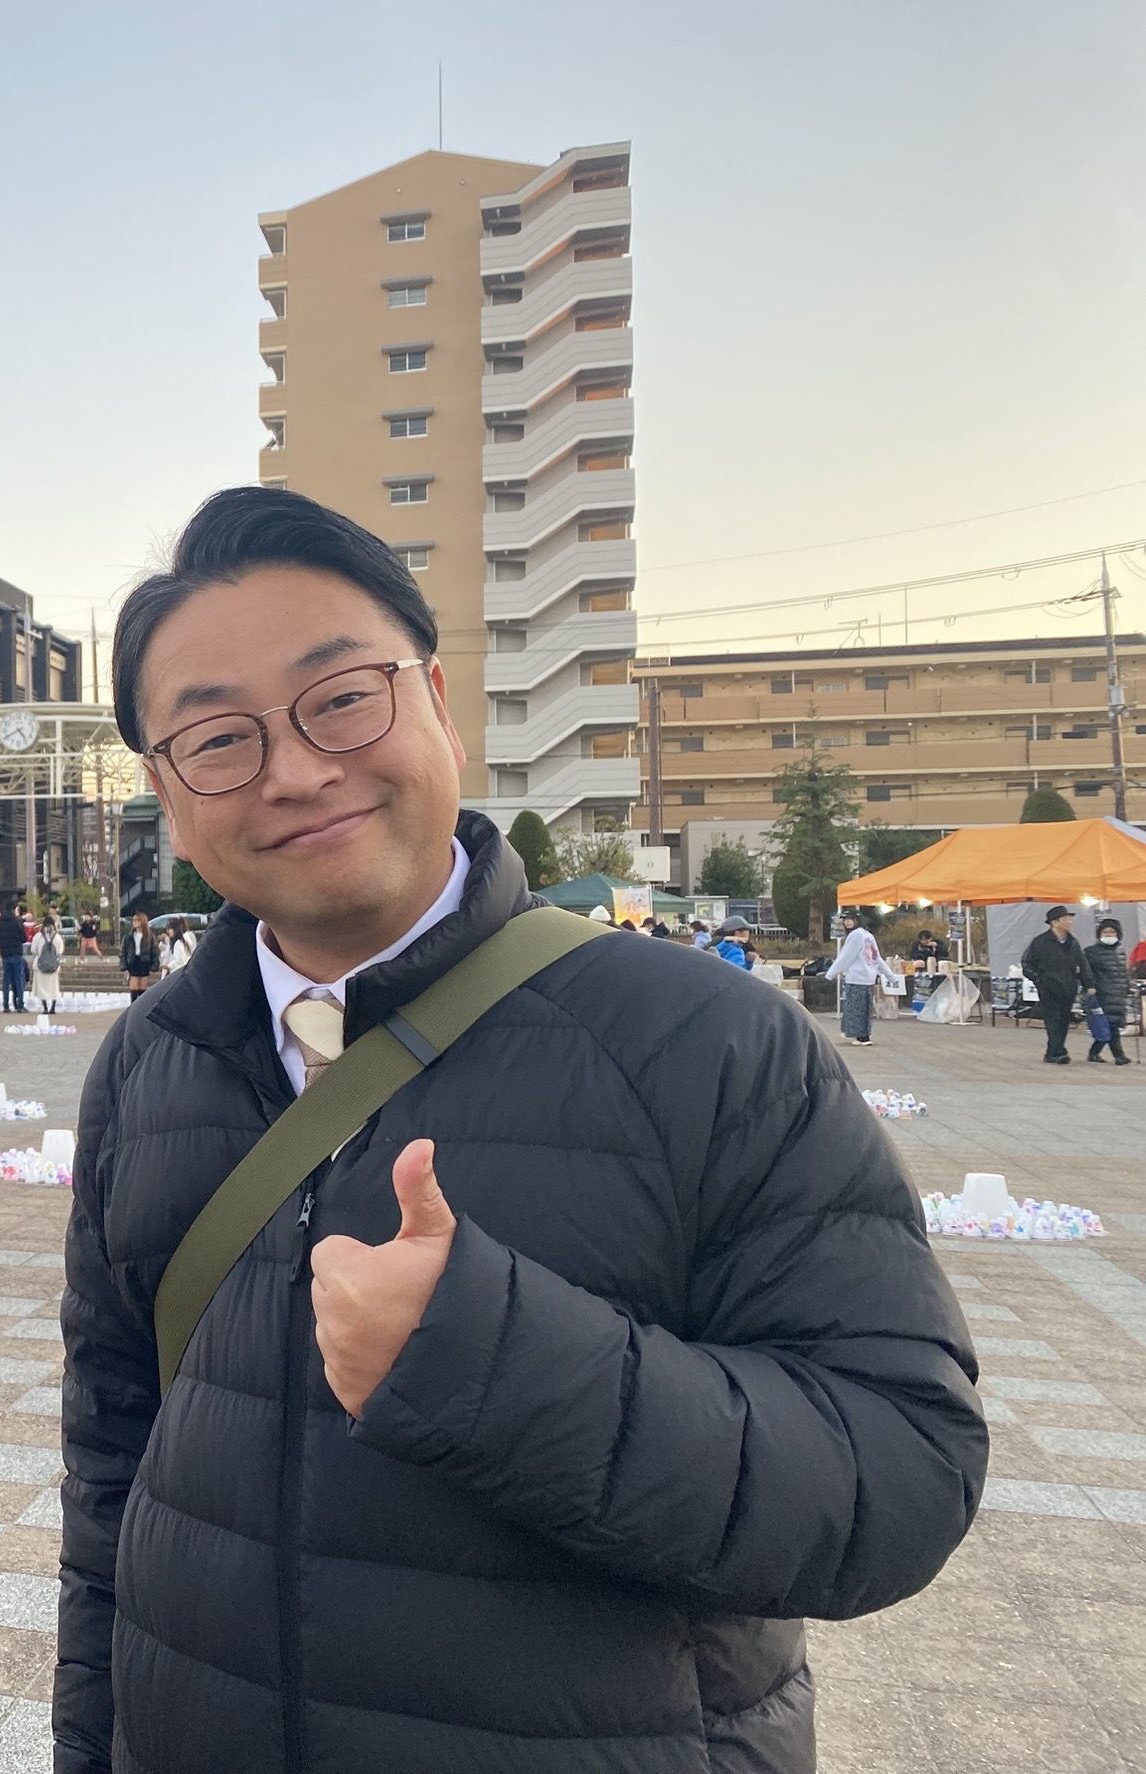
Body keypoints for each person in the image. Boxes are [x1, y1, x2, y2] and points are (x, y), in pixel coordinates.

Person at [56, 486, 982, 1774]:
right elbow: (110, 1475)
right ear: (168, 793)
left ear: (437, 700)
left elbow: (902, 1474)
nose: (297, 770)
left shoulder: (704, 1040)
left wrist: (488, 1359)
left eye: (342, 698)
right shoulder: (149, 1062)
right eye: (218, 738)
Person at [1023, 904, 1084, 1065]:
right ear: (1054, 922)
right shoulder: (1041, 942)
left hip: (1068, 988)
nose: (1070, 922)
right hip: (1048, 988)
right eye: (1066, 919)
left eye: (1070, 919)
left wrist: (1088, 983)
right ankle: (1058, 1052)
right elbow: (1027, 963)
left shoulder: (1073, 943)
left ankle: (1054, 1052)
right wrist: (1039, 980)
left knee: (1064, 1020)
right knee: (1053, 1020)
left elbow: (1082, 964)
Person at [826, 910, 884, 1046]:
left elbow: (846, 957)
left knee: (856, 1009)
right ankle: (857, 1033)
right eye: (845, 920)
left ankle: (862, 1036)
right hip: (867, 978)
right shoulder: (867, 935)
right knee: (862, 1008)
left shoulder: (856, 935)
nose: (847, 922)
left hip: (857, 978)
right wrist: (888, 974)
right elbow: (877, 958)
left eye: (850, 919)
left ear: (857, 921)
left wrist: (831, 973)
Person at [1083, 916, 1132, 1065]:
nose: (1109, 934)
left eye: (1112, 932)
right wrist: (1090, 988)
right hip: (1102, 994)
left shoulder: (1120, 950)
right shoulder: (1091, 952)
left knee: (1110, 1025)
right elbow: (1087, 973)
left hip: (1118, 994)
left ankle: (1094, 1052)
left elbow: (1123, 972)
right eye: (1105, 931)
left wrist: (1127, 985)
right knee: (1109, 1025)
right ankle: (1119, 1055)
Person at [0, 900, 29, 1012]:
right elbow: (24, 938)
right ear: (13, 909)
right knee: (19, 978)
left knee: (6, 979)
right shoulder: (17, 921)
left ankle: (5, 1004)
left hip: (4, 953)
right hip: (16, 952)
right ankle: (20, 1004)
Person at [32, 913, 65, 1014]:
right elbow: (60, 952)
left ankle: (45, 1008)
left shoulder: (38, 936)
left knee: (42, 987)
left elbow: (33, 950)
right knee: (54, 987)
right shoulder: (57, 937)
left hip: (40, 966)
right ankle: (53, 1007)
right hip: (54, 966)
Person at [120, 911, 158, 996]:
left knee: (142, 990)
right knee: (134, 989)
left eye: (137, 920)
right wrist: (124, 967)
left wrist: (154, 966)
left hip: (144, 963)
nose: (134, 922)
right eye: (133, 920)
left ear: (142, 922)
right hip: (133, 962)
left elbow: (154, 952)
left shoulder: (149, 936)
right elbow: (123, 952)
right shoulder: (128, 937)